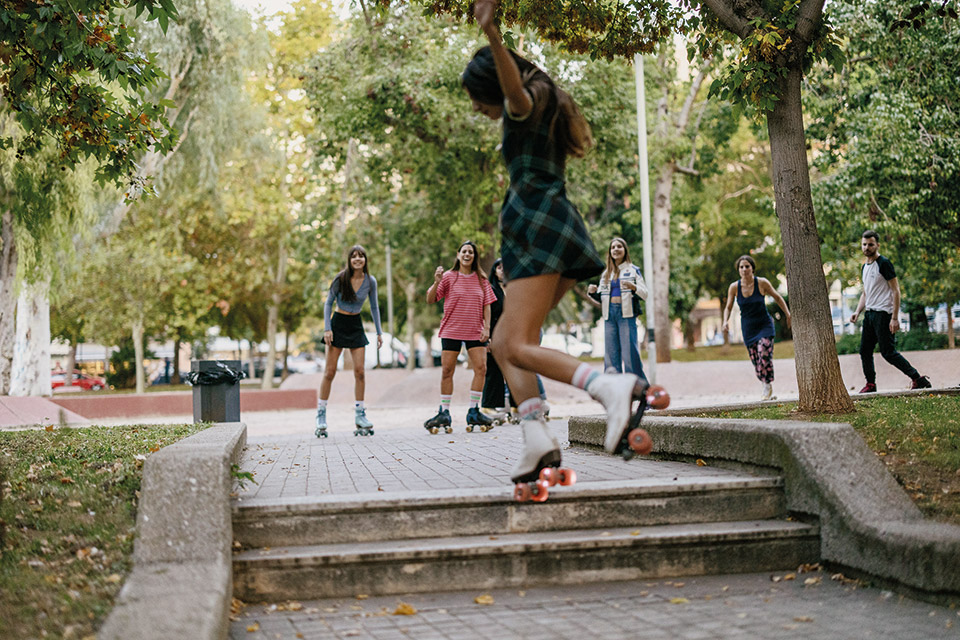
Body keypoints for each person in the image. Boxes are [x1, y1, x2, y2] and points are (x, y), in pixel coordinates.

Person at [462, 0, 653, 488]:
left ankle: (609, 387)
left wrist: (493, 35)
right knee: (506, 344)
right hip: (554, 228)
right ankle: (536, 438)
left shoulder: (523, 105)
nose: (475, 108)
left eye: (474, 98)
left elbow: (513, 92)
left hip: (538, 229)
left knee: (515, 343)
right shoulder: (541, 106)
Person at [424, 240, 497, 432]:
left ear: (474, 257)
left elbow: (487, 304)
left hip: (475, 330)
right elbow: (430, 299)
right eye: (464, 251)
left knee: (481, 368)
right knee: (447, 370)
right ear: (458, 255)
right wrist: (437, 280)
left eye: (470, 252)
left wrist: (487, 328)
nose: (467, 255)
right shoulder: (448, 277)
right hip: (452, 330)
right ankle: (444, 412)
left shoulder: (481, 279)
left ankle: (473, 410)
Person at [849, 230, 931, 392]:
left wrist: (894, 318)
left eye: (870, 244)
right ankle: (870, 384)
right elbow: (866, 293)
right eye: (864, 244)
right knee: (864, 351)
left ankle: (917, 378)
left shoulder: (884, 263)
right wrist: (858, 311)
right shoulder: (865, 266)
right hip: (870, 314)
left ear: (877, 245)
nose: (867, 247)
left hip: (883, 314)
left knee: (888, 352)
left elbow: (896, 291)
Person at [315, 245, 383, 437]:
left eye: (361, 256)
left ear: (365, 260)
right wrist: (327, 328)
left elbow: (375, 307)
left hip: (355, 324)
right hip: (338, 323)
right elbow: (328, 302)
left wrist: (379, 332)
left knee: (360, 372)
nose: (358, 259)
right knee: (329, 372)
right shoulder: (341, 278)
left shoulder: (371, 281)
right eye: (354, 256)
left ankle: (360, 414)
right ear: (349, 260)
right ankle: (321, 414)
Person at [481, 258, 549, 420]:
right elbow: (485, 315)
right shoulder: (490, 290)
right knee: (494, 371)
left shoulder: (517, 288)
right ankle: (490, 408)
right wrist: (487, 338)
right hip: (496, 336)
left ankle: (516, 408)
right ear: (494, 271)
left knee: (516, 369)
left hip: (517, 335)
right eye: (499, 267)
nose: (502, 270)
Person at [721, 255, 791, 400]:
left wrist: (788, 315)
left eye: (747, 266)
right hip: (748, 329)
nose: (744, 269)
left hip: (764, 325)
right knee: (756, 360)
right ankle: (765, 382)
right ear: (738, 270)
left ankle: (767, 385)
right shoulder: (734, 287)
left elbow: (777, 297)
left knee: (763, 352)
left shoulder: (762, 283)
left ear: (752, 268)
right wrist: (725, 321)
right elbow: (728, 307)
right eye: (741, 267)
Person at [587, 238, 648, 379]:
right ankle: (614, 390)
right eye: (613, 247)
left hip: (626, 315)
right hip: (609, 316)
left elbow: (644, 294)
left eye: (619, 246)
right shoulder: (606, 274)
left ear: (625, 250)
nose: (615, 249)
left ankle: (641, 391)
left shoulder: (633, 270)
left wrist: (633, 287)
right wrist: (592, 292)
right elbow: (601, 298)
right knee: (611, 357)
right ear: (610, 252)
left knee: (629, 355)